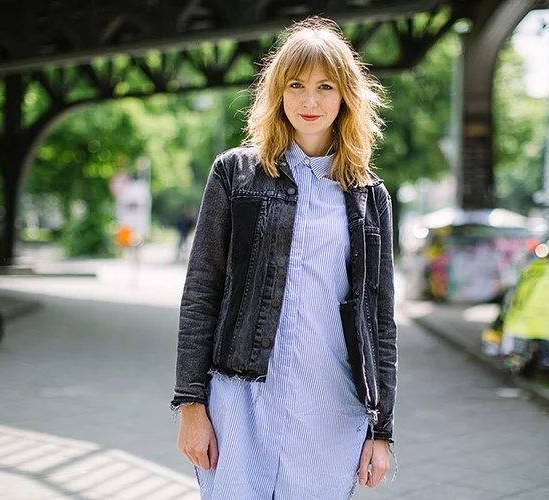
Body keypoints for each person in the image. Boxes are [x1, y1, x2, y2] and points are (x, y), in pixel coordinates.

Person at [172, 16, 398, 499]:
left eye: (324, 86)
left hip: (332, 404)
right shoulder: (235, 174)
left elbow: (379, 320)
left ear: (346, 97)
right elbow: (201, 291)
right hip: (242, 399)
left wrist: (380, 429)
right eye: (295, 85)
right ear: (277, 92)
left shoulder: (368, 195)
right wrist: (191, 405)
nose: (309, 101)